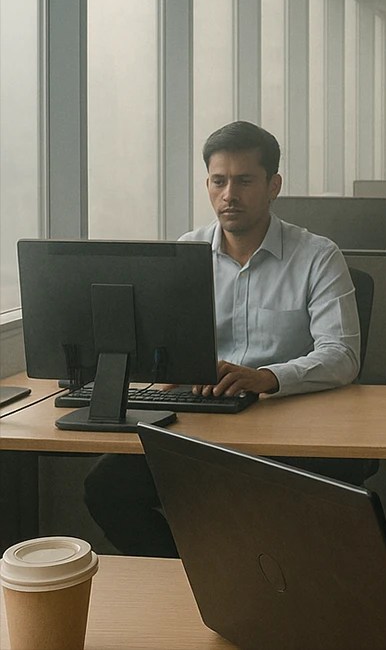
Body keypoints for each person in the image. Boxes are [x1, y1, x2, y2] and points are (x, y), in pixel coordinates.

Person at [84, 121, 364, 557]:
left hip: (286, 426)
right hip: (197, 425)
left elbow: (342, 355)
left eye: (244, 181)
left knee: (264, 511)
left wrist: (266, 377)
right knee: (106, 488)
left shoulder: (317, 256)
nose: (229, 195)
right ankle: (192, 581)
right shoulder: (186, 252)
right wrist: (165, 371)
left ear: (273, 185)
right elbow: (164, 350)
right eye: (219, 181)